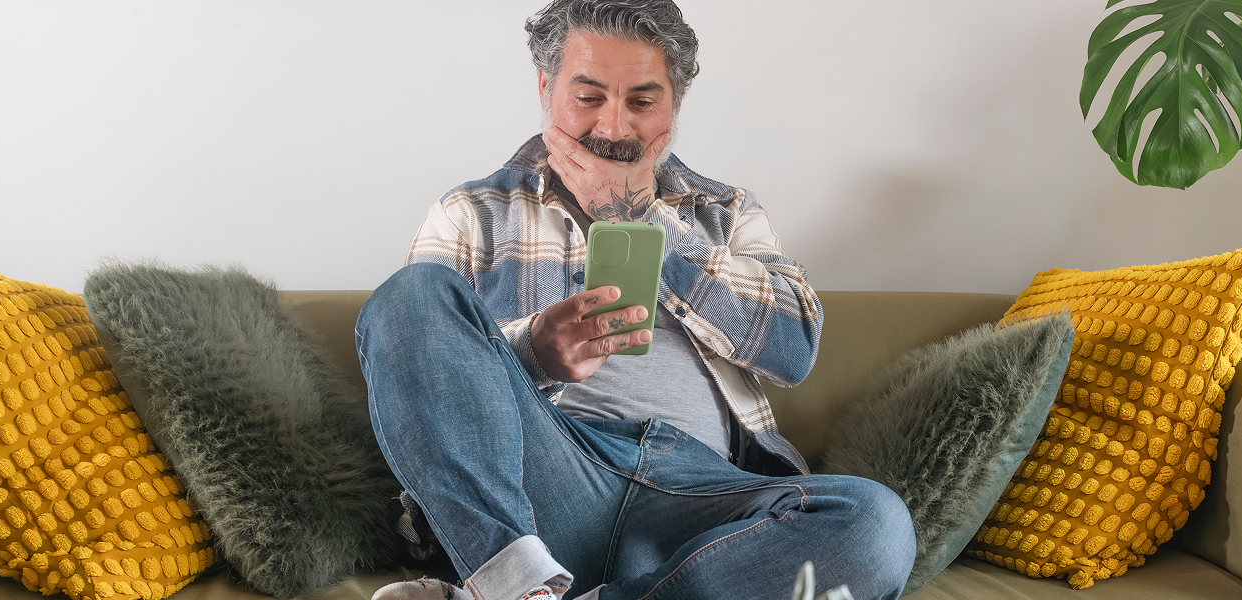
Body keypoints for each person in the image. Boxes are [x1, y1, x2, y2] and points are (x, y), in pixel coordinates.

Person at [357, 2, 914, 598]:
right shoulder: (470, 214)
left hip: (703, 498)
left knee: (875, 525)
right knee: (409, 295)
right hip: (546, 485)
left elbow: (794, 345)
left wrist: (637, 214)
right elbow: (418, 381)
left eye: (642, 102)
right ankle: (514, 579)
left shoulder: (726, 213)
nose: (614, 129)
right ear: (547, 88)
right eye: (589, 98)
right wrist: (530, 355)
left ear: (675, 104)